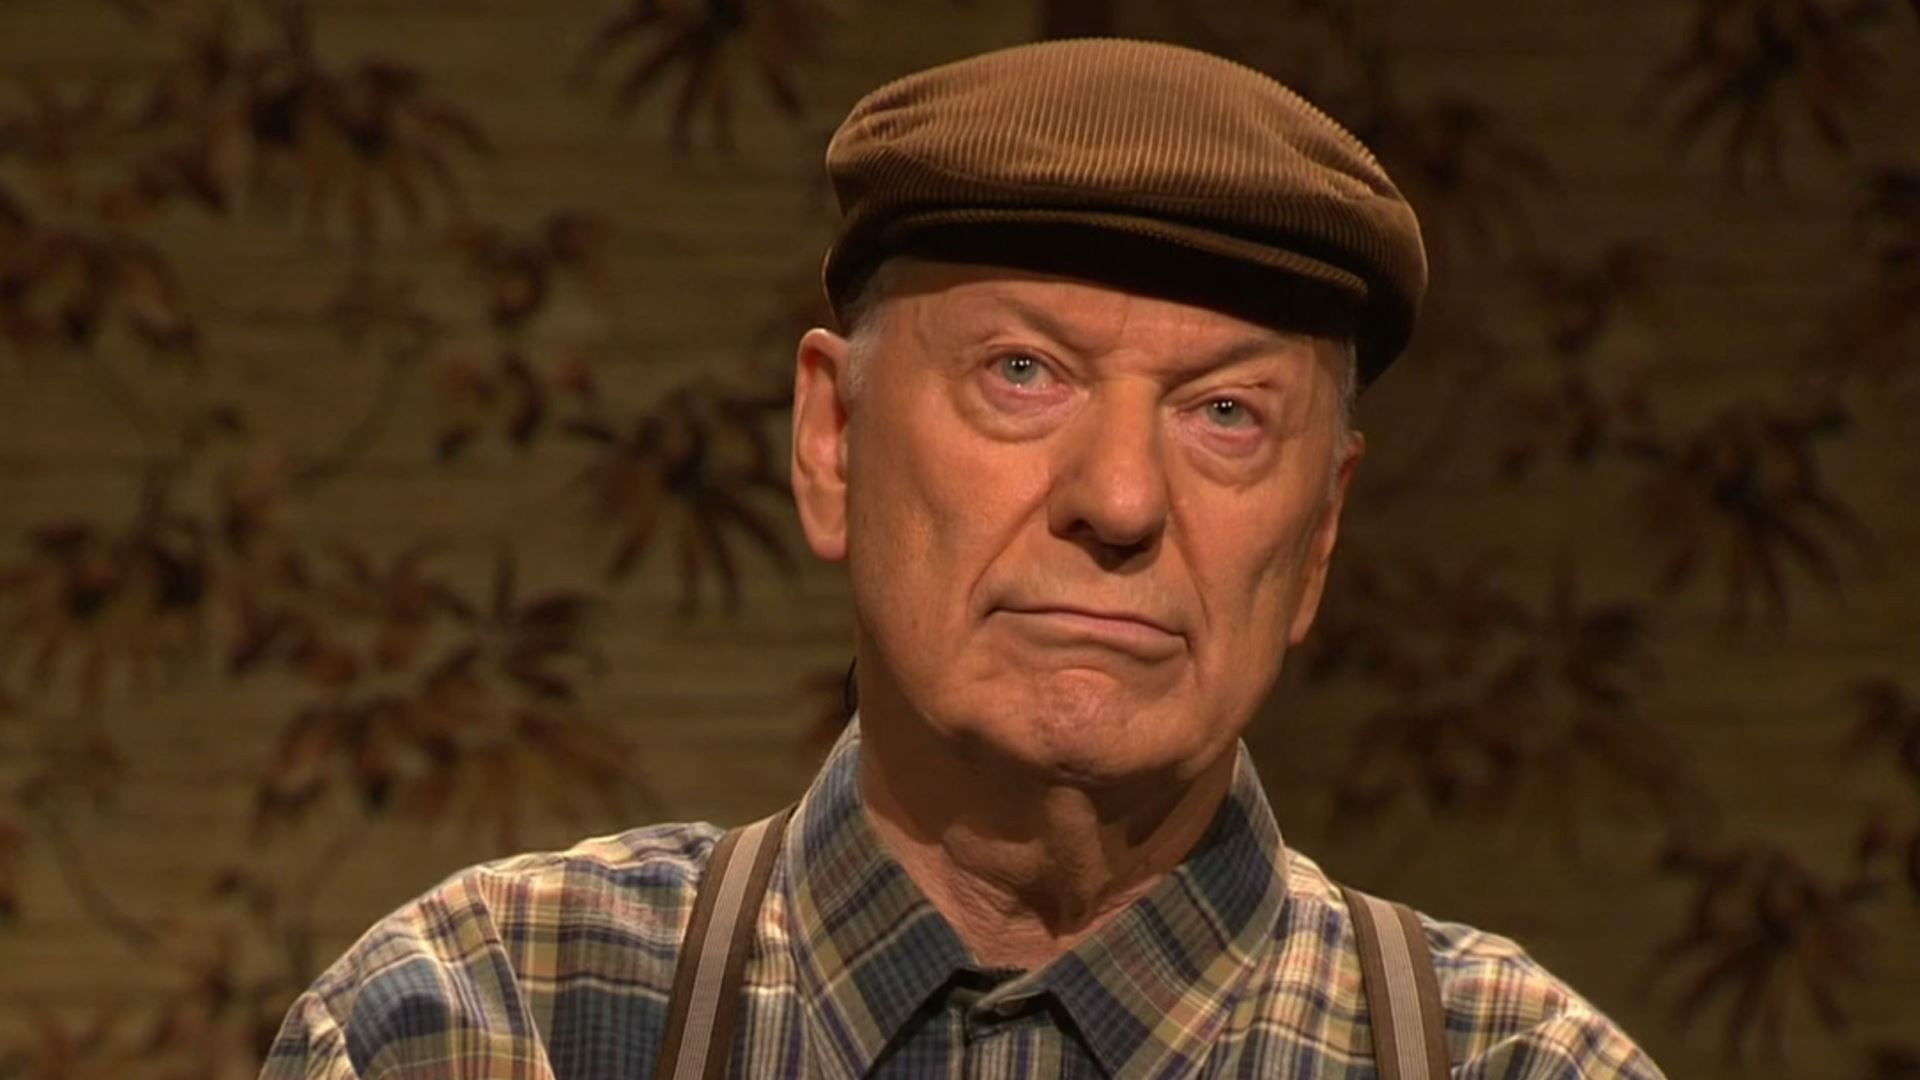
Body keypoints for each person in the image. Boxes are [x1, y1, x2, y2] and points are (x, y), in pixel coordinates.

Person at [261, 39, 1665, 1079]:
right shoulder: (489, 1023)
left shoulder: (1515, 1063)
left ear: (1321, 534)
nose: (1120, 499)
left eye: (1228, 413)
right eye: (1022, 373)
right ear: (833, 440)